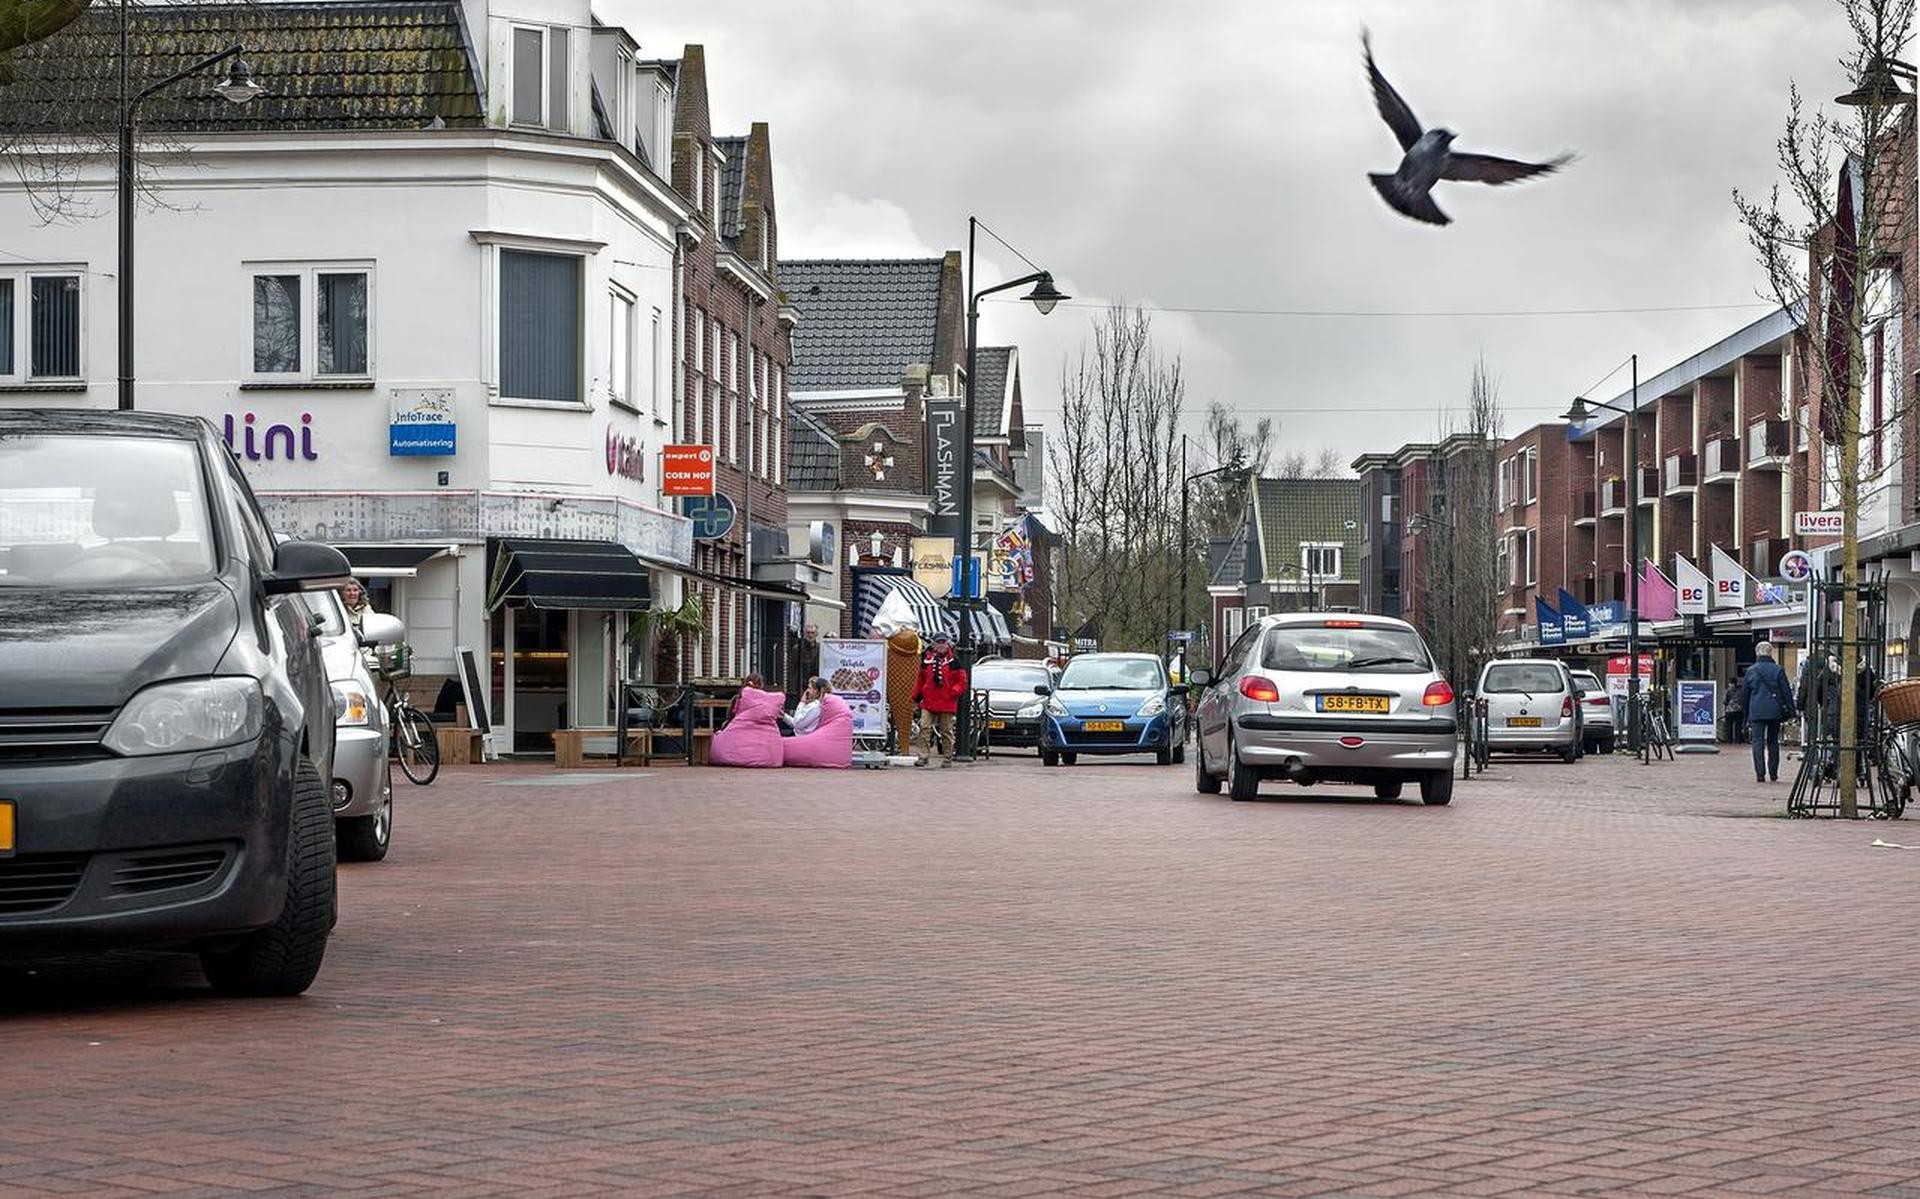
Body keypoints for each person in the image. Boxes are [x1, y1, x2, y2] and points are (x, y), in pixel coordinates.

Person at [1739, 641, 1796, 784]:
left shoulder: (1751, 671)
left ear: (1757, 652)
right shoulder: (1778, 670)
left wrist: (1746, 714)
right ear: (1771, 652)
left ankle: (1760, 773)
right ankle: (1773, 773)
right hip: (1774, 711)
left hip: (1756, 711)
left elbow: (1744, 695)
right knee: (1773, 741)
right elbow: (1786, 692)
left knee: (1757, 742)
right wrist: (1791, 711)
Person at [912, 632, 968, 762]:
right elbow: (920, 680)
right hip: (929, 700)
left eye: (943, 642)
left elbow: (962, 681)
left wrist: (954, 691)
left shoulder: (954, 661)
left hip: (946, 701)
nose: (941, 645)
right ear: (934, 644)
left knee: (946, 731)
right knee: (924, 728)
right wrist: (915, 697)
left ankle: (947, 757)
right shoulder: (926, 660)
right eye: (939, 642)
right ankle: (923, 756)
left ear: (947, 644)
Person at [1725, 668, 1748, 744]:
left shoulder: (1727, 691)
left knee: (1729, 727)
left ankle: (1729, 741)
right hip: (1739, 710)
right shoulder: (1740, 691)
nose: (1730, 685)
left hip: (1729, 711)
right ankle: (1738, 741)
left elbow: (1725, 701)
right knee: (1738, 726)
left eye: (1730, 683)